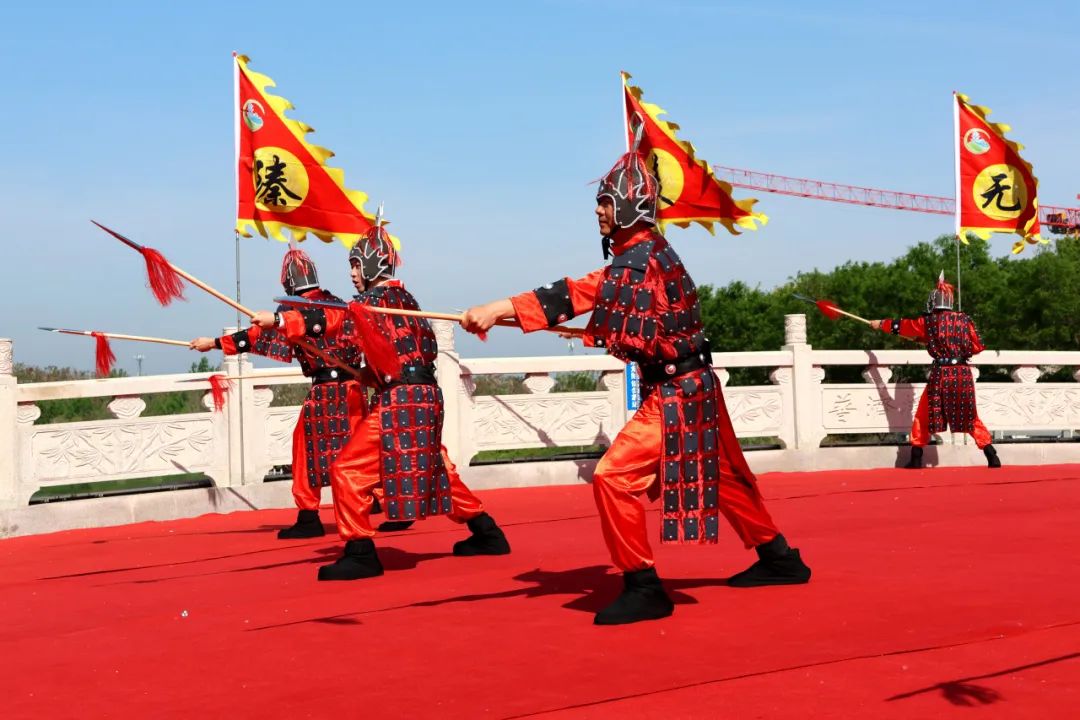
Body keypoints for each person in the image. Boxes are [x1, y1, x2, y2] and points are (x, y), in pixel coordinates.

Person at [460, 147, 810, 625]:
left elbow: (575, 293)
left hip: (677, 394)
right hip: (695, 384)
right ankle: (780, 558)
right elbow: (637, 321)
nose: (597, 211)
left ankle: (643, 585)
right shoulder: (652, 253)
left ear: (629, 204)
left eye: (605, 201)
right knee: (723, 475)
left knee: (614, 477)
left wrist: (494, 308)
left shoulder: (637, 261)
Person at [251, 222, 510, 581]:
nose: (352, 274)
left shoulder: (371, 302)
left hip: (401, 400)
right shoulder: (406, 301)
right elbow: (402, 355)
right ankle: (487, 532)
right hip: (424, 396)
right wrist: (371, 375)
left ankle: (360, 553)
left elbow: (330, 317)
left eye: (356, 265)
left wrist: (280, 319)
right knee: (433, 468)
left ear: (372, 265)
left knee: (347, 470)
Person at [191, 248, 372, 539]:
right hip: (354, 389)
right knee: (361, 446)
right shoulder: (337, 303)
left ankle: (310, 515)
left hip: (328, 393)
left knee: (306, 449)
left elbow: (255, 337)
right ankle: (374, 499)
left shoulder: (296, 311)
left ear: (288, 281)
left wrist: (214, 343)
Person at [869, 273, 1000, 469]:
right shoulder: (964, 319)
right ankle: (991, 453)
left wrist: (881, 324)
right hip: (962, 374)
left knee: (923, 415)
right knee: (969, 415)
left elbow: (905, 326)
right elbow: (976, 346)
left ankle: (916, 457)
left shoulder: (928, 322)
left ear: (933, 302)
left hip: (942, 375)